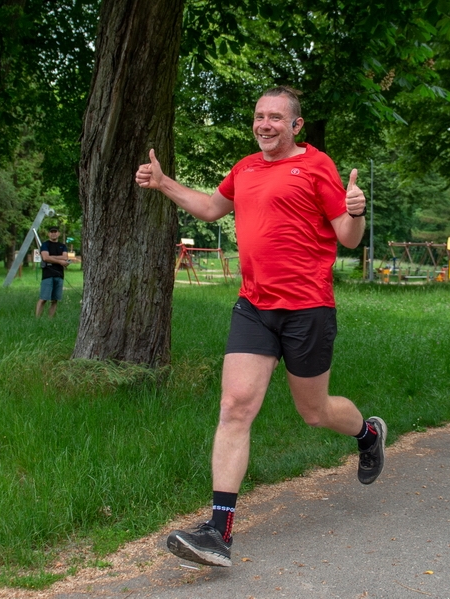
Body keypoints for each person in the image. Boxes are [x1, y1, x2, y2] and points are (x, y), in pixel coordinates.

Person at [135, 86, 386, 568]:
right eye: (258, 116)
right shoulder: (245, 168)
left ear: (296, 126)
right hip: (254, 305)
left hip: (308, 309)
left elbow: (348, 239)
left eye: (275, 117)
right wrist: (165, 183)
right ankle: (218, 532)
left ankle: (367, 436)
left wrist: (356, 212)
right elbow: (211, 208)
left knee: (313, 411)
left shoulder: (317, 167)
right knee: (234, 407)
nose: (264, 124)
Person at [35, 226, 69, 317]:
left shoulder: (63, 246)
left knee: (55, 300)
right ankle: (37, 319)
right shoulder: (45, 245)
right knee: (43, 299)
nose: (53, 233)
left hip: (59, 275)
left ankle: (50, 320)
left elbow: (65, 257)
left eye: (55, 231)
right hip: (48, 275)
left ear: (58, 233)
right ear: (49, 234)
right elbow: (45, 257)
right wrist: (59, 261)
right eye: (51, 232)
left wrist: (51, 257)